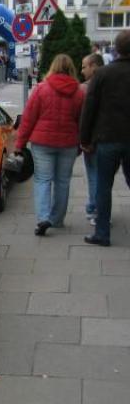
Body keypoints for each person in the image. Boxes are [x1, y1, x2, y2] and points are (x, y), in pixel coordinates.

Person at [16, 54, 84, 236]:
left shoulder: (41, 89)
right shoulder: (79, 92)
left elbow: (29, 118)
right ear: (72, 69)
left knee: (43, 179)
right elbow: (82, 121)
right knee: (63, 181)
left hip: (42, 143)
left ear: (52, 67)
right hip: (68, 143)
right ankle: (57, 219)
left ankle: (43, 217)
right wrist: (81, 144)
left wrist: (20, 144)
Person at [80, 30, 130, 246]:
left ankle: (102, 233)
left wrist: (85, 139)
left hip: (107, 137)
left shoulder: (102, 74)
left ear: (116, 49)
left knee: (103, 186)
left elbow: (89, 108)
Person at [79, 53, 105, 226]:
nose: (82, 71)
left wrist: (84, 140)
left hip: (93, 139)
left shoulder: (85, 89)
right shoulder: (113, 83)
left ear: (94, 66)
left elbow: (84, 116)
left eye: (84, 66)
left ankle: (95, 210)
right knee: (105, 177)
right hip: (113, 137)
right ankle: (103, 209)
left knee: (94, 175)